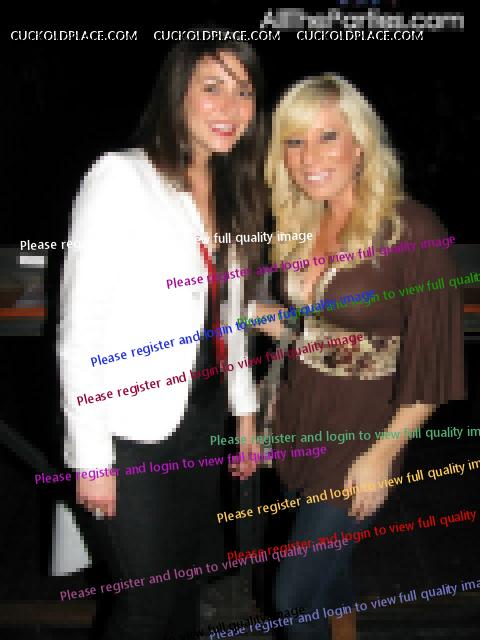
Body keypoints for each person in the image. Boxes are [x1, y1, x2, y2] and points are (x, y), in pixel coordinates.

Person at [57, 39, 266, 639]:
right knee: (145, 606)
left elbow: (229, 314)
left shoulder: (229, 188)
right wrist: (92, 457)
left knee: (185, 586)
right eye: (212, 87)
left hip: (201, 417)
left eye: (244, 91)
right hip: (130, 431)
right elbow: (80, 328)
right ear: (178, 93)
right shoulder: (122, 177)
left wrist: (245, 416)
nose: (230, 106)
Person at [249, 74, 464, 638]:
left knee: (293, 596)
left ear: (360, 144)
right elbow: (334, 328)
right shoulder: (304, 221)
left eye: (327, 137)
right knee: (329, 576)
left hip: (363, 433)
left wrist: (382, 454)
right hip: (300, 416)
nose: (309, 157)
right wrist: (284, 327)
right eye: (295, 142)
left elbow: (435, 362)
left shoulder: (413, 230)